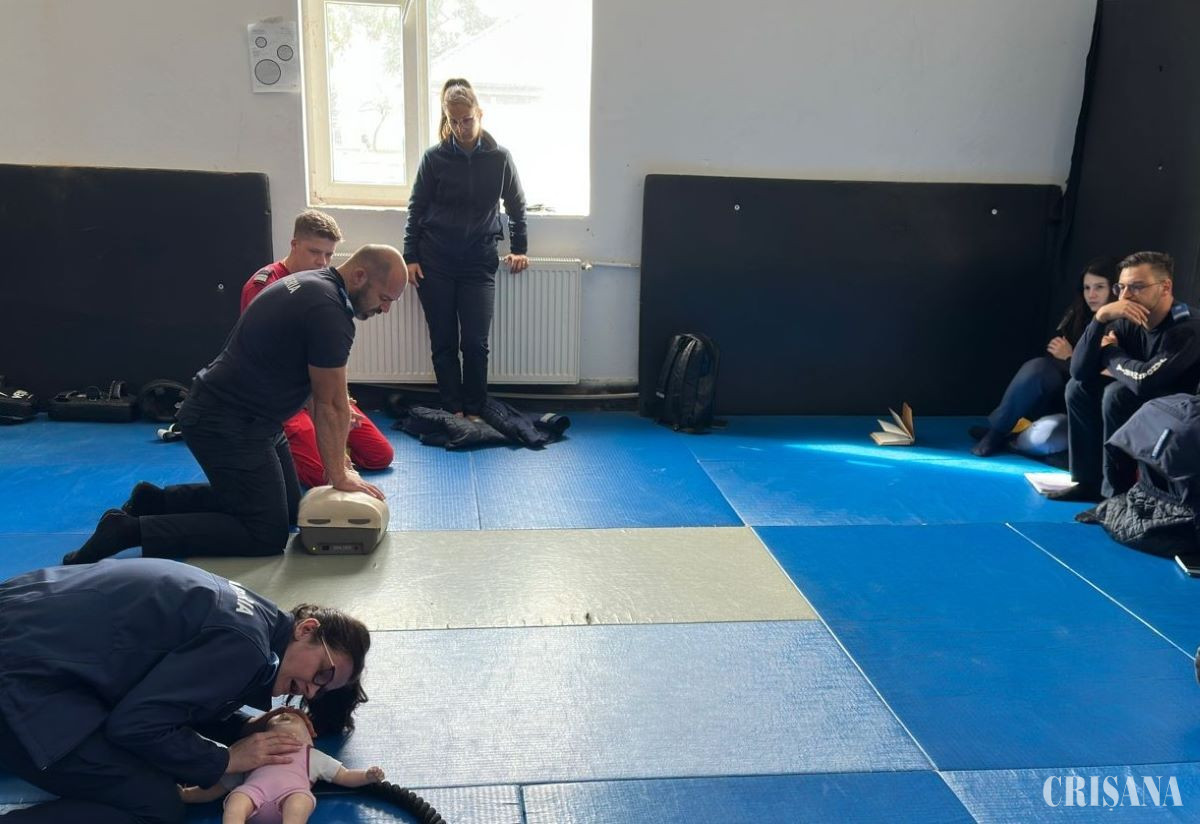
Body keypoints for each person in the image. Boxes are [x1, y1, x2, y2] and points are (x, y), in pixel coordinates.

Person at [65, 244, 408, 564]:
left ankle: (153, 501)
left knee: (290, 510)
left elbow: (319, 392)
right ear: (360, 276)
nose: (385, 309)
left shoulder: (312, 284)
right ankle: (127, 531)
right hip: (226, 422)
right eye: (384, 298)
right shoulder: (329, 311)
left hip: (254, 420)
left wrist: (339, 462)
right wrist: (339, 475)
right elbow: (330, 403)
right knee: (265, 533)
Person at [0, 558, 370, 824]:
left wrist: (242, 727)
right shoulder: (246, 647)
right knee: (156, 804)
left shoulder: (254, 614)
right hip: (20, 679)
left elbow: (179, 689)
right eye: (322, 673)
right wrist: (225, 760)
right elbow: (134, 725)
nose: (310, 690)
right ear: (307, 629)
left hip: (23, 620)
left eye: (321, 690)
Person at [241, 210, 395, 488]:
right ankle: (289, 452)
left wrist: (340, 404)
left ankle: (318, 447)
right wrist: (326, 417)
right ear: (294, 245)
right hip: (285, 399)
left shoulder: (325, 289)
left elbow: (326, 360)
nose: (321, 262)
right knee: (321, 475)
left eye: (328, 255)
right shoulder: (265, 285)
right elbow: (277, 365)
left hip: (316, 393)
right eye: (314, 252)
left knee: (380, 455)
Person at [404, 78, 528, 418]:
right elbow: (416, 209)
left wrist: (520, 247)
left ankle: (475, 409)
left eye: (467, 120)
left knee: (474, 343)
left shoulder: (500, 158)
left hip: (478, 262)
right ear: (447, 119)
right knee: (443, 342)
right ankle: (453, 409)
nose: (461, 128)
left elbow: (516, 205)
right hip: (435, 261)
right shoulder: (434, 159)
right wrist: (410, 256)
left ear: (480, 114)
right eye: (454, 121)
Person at [1050, 251, 1200, 502]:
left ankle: (1116, 496)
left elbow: (1144, 382)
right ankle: (1088, 483)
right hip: (1148, 396)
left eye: (1137, 287)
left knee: (1117, 394)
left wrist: (1110, 352)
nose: (1125, 296)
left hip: (1183, 410)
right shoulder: (1128, 318)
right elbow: (1079, 371)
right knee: (1078, 388)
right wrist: (1100, 319)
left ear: (1165, 287)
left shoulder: (1187, 327)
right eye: (1121, 287)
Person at [971, 257, 1118, 457]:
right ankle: (998, 431)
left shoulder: (1124, 324)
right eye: (1087, 288)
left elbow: (1110, 376)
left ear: (1115, 289)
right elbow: (1054, 352)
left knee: (1045, 437)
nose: (1091, 294)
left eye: (1099, 287)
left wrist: (1071, 357)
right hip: (1061, 396)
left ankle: (1013, 442)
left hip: (1091, 407)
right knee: (1038, 368)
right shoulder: (1079, 313)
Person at [179, 707, 384, 823]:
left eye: (293, 722)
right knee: (236, 800)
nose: (285, 716)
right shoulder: (253, 754)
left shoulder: (310, 755)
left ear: (308, 738)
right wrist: (189, 794)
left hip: (291, 794)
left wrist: (367, 775)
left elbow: (344, 775)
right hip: (253, 794)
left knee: (300, 800)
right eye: (276, 723)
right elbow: (219, 787)